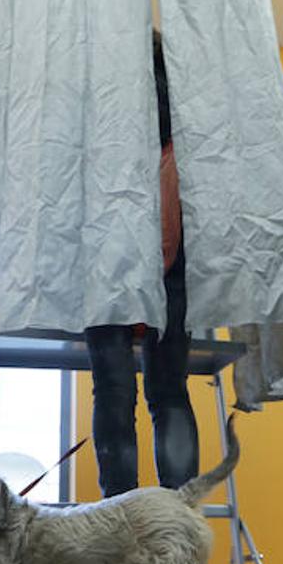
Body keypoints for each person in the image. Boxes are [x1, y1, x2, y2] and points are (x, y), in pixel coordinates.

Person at [84, 32, 199, 499]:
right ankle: (178, 520)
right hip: (172, 263)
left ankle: (119, 518)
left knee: (114, 391)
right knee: (168, 391)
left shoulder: (104, 109)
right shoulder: (184, 116)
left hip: (108, 259)